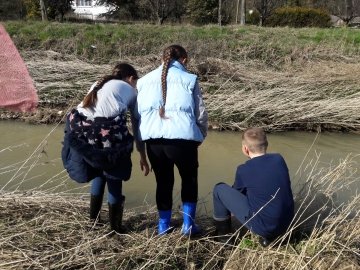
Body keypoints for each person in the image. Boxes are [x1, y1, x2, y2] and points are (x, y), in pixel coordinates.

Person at [63, 63, 149, 233]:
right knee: (113, 175)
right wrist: (142, 155)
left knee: (98, 170)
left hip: (81, 131)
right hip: (104, 133)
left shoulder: (98, 83)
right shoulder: (130, 90)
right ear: (131, 78)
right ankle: (115, 228)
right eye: (135, 82)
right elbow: (137, 124)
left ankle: (93, 221)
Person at [135, 44, 208, 236]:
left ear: (162, 59)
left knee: (163, 182)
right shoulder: (190, 79)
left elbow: (138, 115)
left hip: (154, 141)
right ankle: (188, 226)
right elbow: (200, 113)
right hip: (183, 140)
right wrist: (199, 136)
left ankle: (163, 226)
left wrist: (142, 145)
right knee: (189, 180)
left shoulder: (143, 81)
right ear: (184, 60)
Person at [212, 127, 294, 246]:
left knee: (219, 189)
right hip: (287, 223)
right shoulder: (279, 159)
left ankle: (224, 238)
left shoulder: (243, 169)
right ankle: (270, 238)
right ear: (267, 144)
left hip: (264, 227)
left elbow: (236, 195)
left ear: (245, 149)